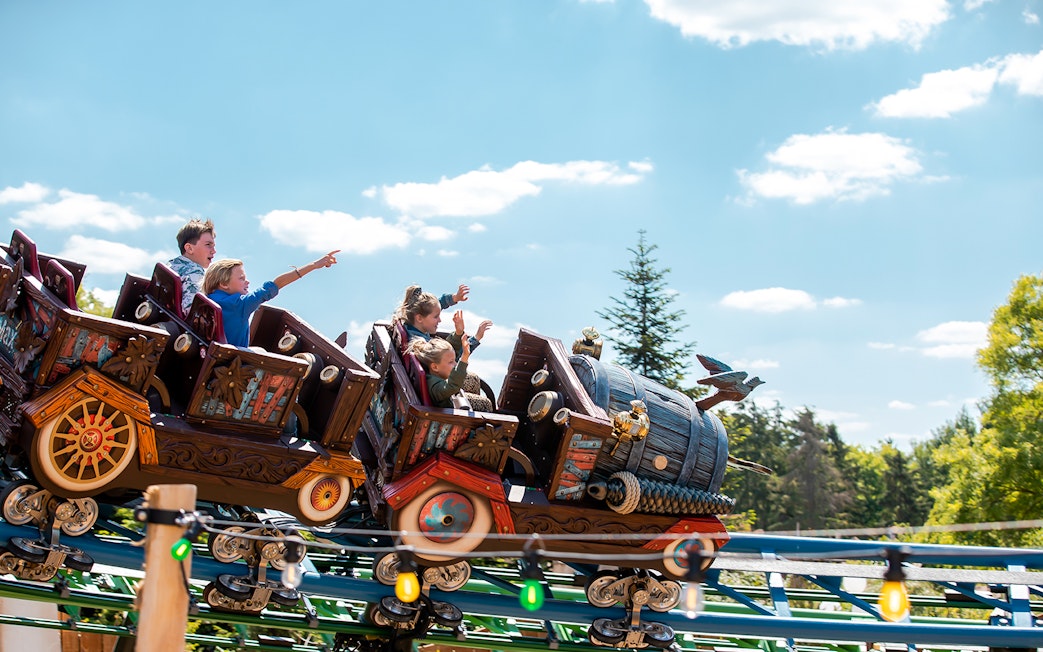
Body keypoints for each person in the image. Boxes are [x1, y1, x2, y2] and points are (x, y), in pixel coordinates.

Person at [202, 251, 339, 348]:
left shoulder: (204, 302)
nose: (247, 282)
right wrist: (314, 265)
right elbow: (276, 285)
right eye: (241, 278)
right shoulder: (239, 304)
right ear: (224, 284)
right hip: (230, 365)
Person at [393, 284, 492, 354]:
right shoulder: (423, 345)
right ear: (419, 318)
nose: (440, 320)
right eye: (436, 317)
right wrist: (476, 338)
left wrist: (455, 298)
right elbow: (453, 358)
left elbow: (432, 307)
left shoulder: (412, 326)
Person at [407, 336, 492, 412]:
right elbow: (452, 386)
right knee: (486, 404)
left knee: (473, 379)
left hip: (453, 398)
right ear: (435, 367)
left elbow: (447, 356)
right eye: (451, 362)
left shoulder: (433, 374)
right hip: (450, 413)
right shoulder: (435, 387)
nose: (455, 364)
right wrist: (464, 358)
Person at [167, 218, 217, 315]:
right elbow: (191, 311)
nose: (214, 251)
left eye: (214, 246)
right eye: (208, 245)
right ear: (189, 248)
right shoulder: (194, 270)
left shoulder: (171, 265)